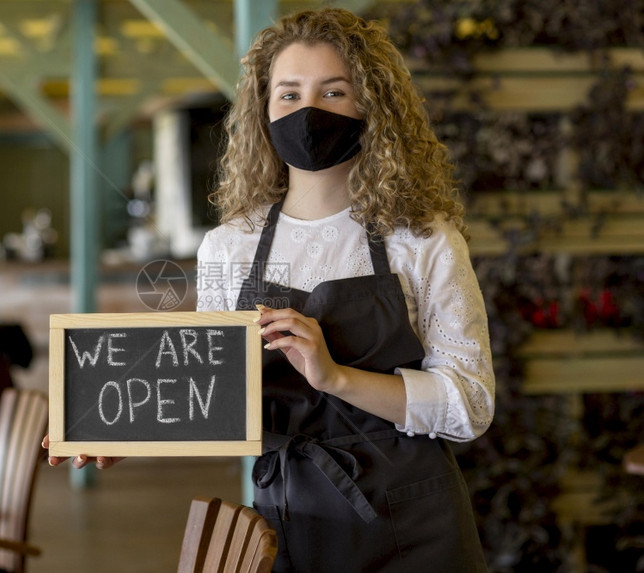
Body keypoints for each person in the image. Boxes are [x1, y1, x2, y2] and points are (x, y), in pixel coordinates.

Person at [193, 8, 494, 572]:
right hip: (288, 520)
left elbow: (469, 404)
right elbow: (214, 400)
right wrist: (127, 436)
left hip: (414, 522)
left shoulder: (423, 240)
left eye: (333, 92)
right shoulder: (227, 249)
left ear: (369, 105)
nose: (309, 112)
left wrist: (335, 377)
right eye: (289, 94)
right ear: (263, 112)